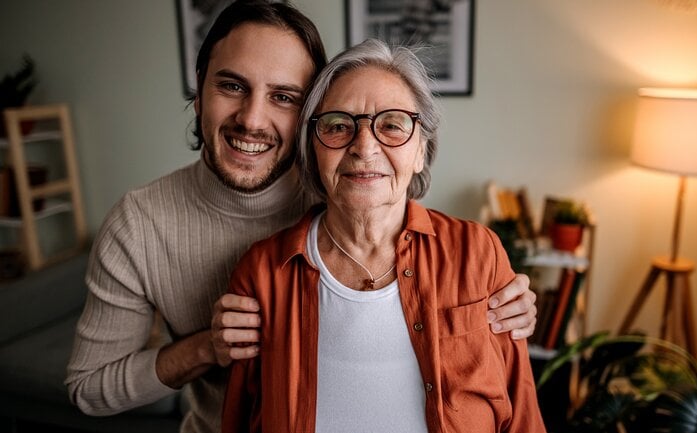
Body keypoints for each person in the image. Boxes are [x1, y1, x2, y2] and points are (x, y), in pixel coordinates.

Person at [65, 2, 537, 433]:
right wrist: (205, 348)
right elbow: (88, 389)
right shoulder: (147, 226)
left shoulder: (366, 194)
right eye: (231, 85)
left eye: (284, 96)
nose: (251, 119)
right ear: (199, 88)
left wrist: (492, 284)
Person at [222, 39, 545, 432]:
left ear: (421, 150)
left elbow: (522, 411)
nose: (364, 147)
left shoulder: (478, 252)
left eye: (391, 125)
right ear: (313, 147)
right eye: (339, 126)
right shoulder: (262, 273)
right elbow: (239, 420)